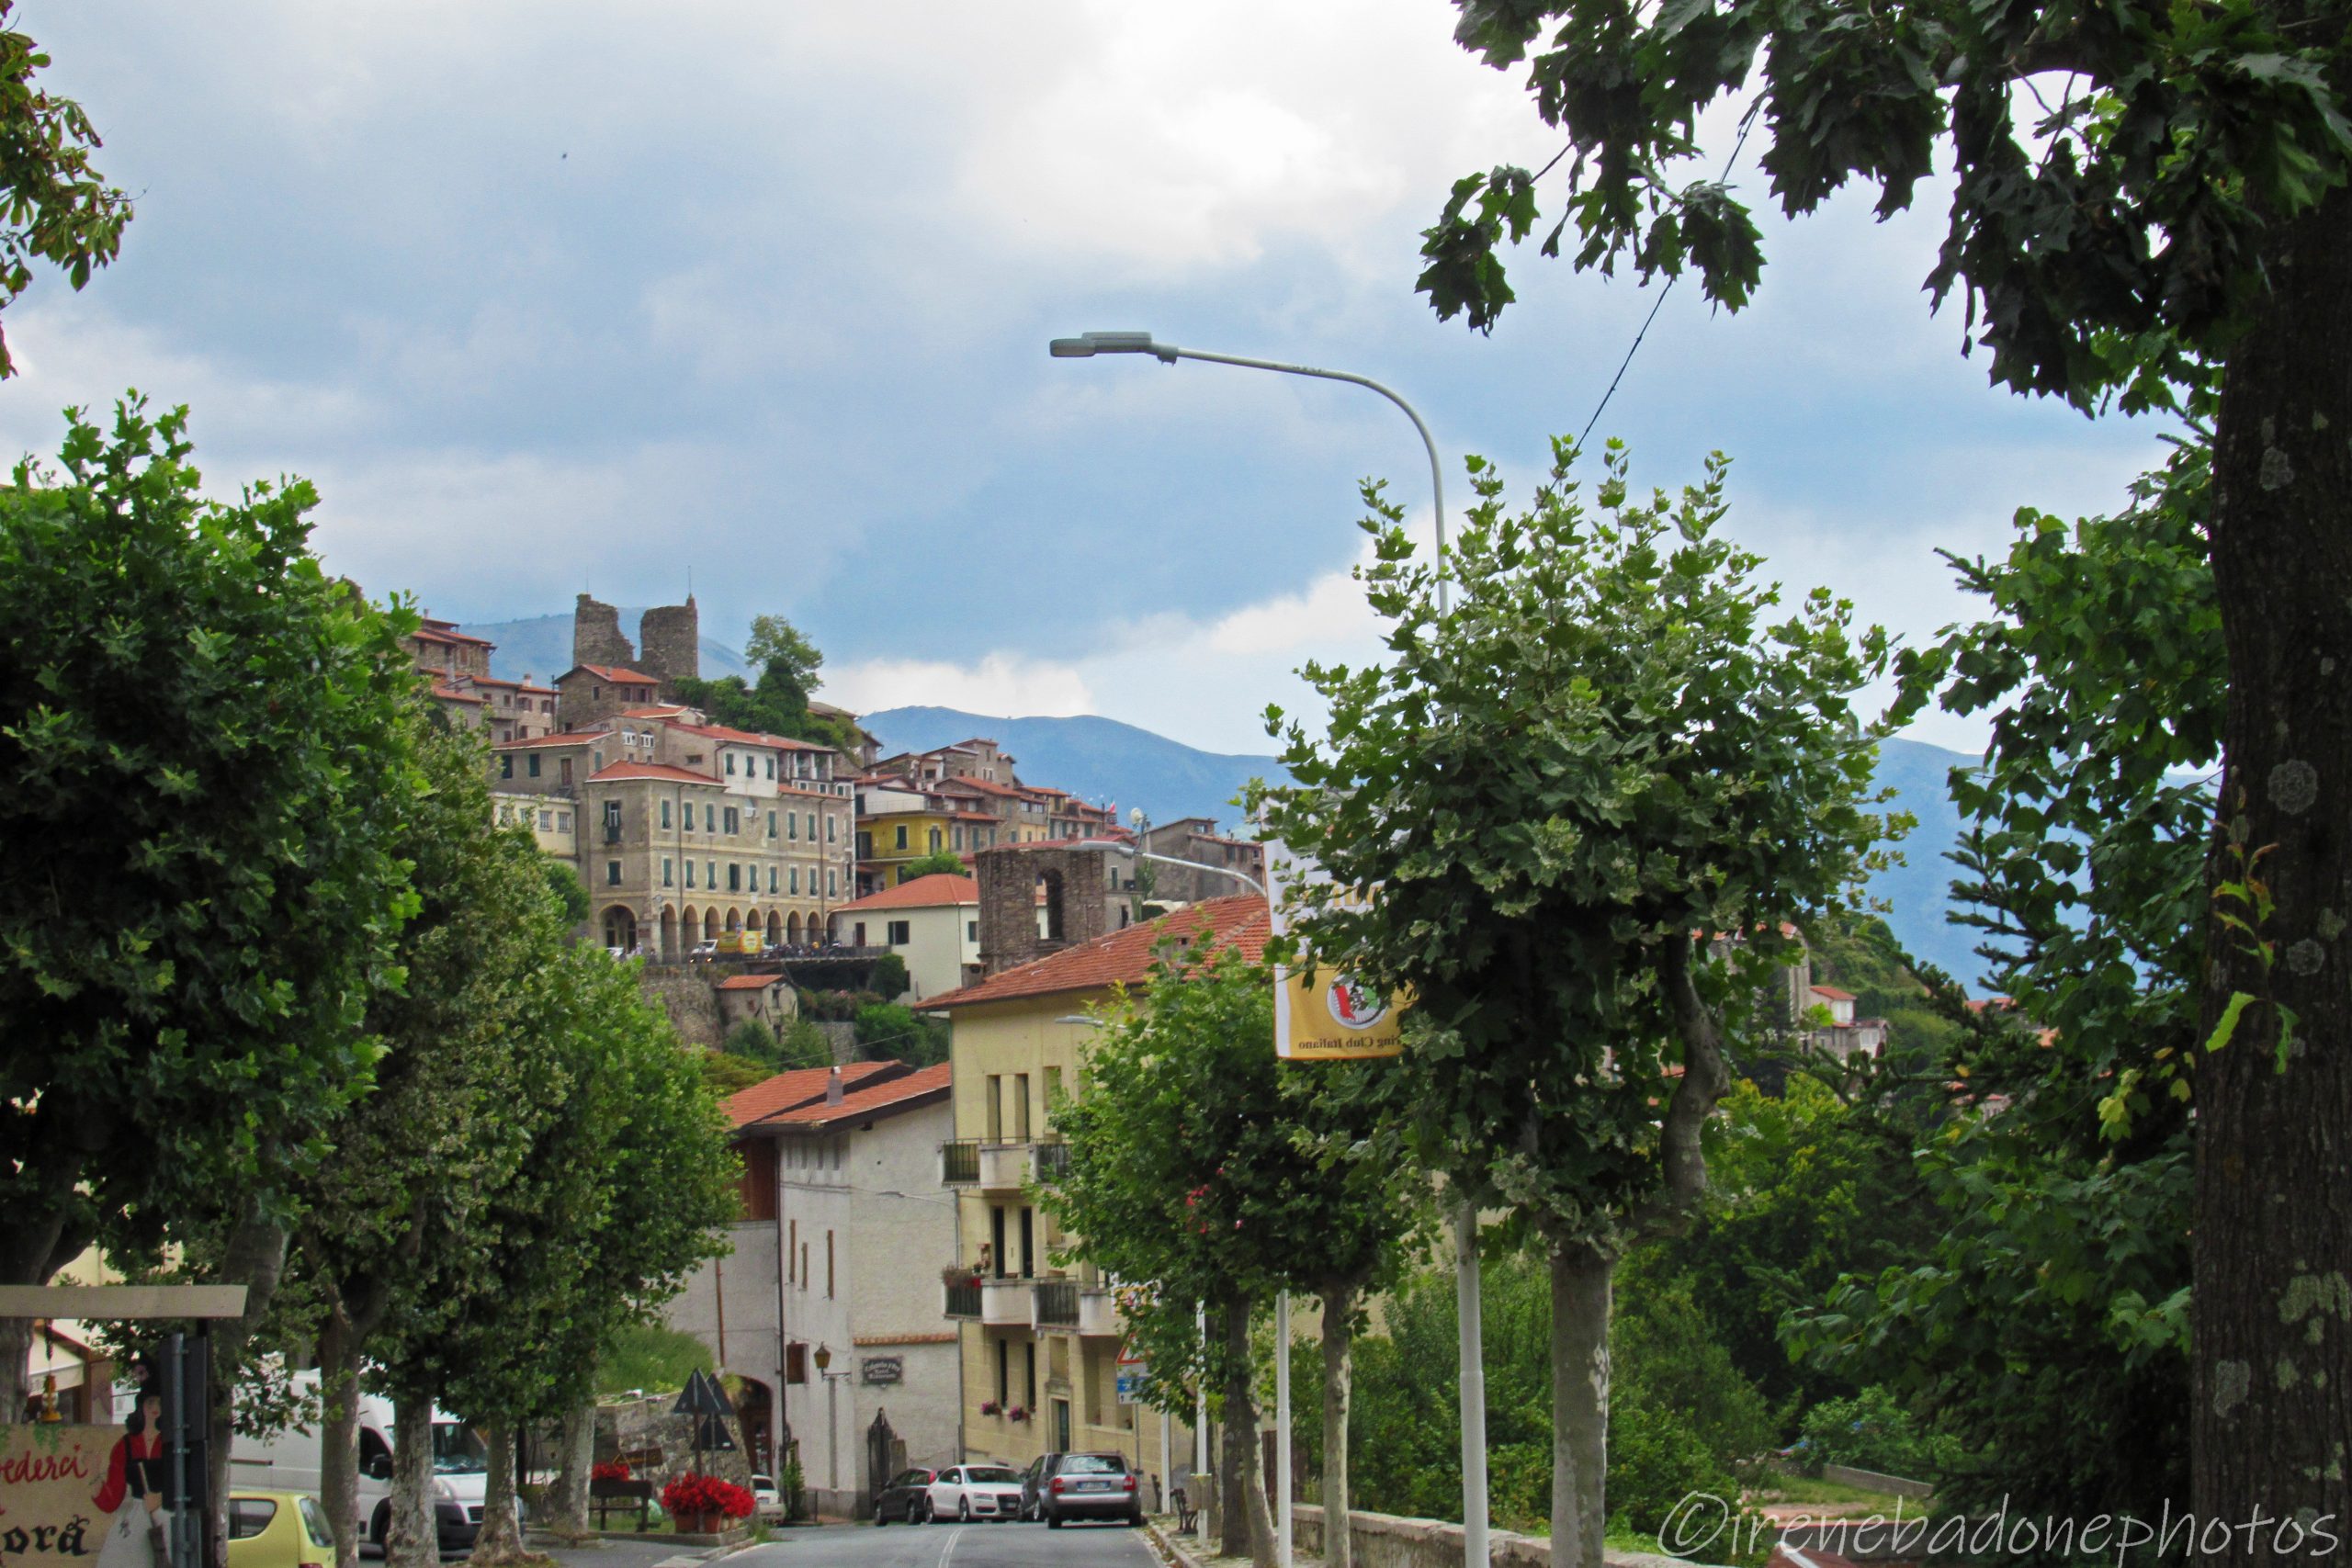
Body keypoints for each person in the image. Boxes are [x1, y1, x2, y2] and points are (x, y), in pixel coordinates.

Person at [93, 1388, 169, 1568]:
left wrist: (161, 1498)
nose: (155, 1408)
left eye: (160, 1403)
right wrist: (94, 1472)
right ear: (141, 1406)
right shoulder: (126, 1445)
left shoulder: (172, 1441)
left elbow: (187, 1481)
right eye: (150, 1402)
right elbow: (111, 1500)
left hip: (168, 1511)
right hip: (138, 1512)